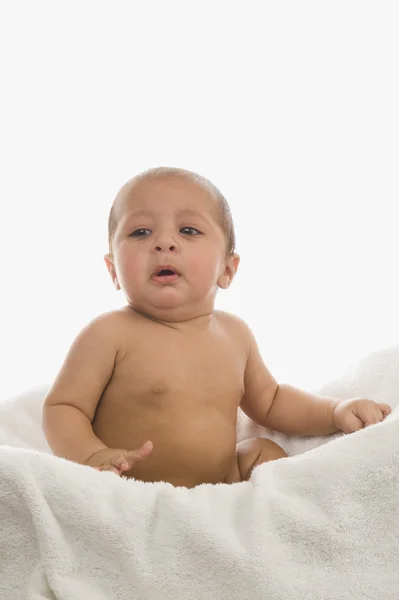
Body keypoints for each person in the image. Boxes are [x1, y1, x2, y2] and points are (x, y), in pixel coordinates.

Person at [42, 167, 391, 488]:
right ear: (113, 270)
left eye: (188, 230)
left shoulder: (235, 335)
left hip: (221, 486)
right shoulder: (109, 334)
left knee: (263, 452)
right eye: (140, 231)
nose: (164, 242)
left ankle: (272, 526)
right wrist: (91, 456)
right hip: (135, 489)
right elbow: (64, 408)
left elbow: (270, 401)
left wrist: (334, 412)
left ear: (227, 269)